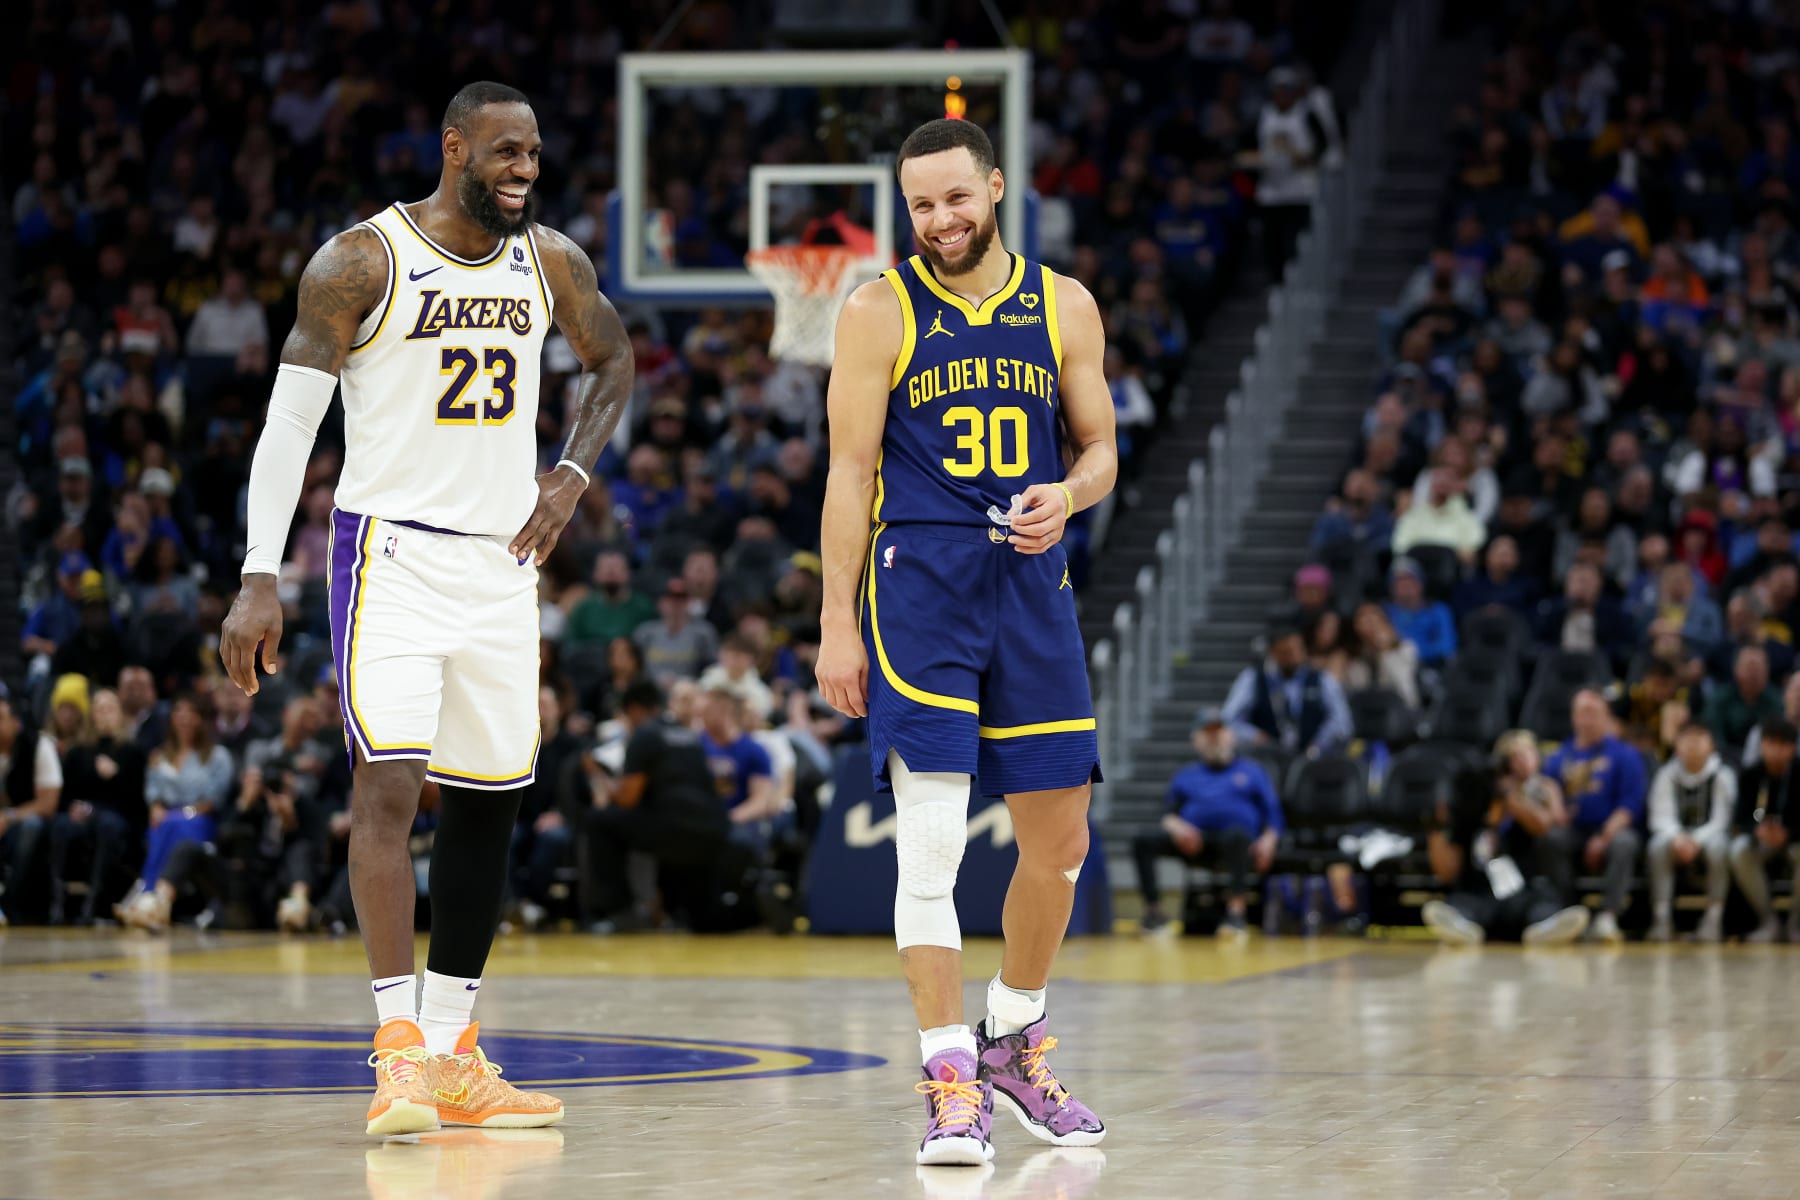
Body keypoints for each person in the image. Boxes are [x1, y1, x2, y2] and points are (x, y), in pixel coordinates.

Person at [217, 81, 633, 1137]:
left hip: (503, 565)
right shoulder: (360, 260)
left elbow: (615, 359)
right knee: (389, 788)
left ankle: (453, 1052)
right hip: (390, 556)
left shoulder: (551, 262)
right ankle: (395, 1050)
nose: (523, 168)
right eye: (503, 150)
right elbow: (287, 427)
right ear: (454, 148)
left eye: (533, 152)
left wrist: (573, 474)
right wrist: (260, 572)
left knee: (490, 800)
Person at [817, 119, 1113, 1164]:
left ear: (995, 187)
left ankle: (1012, 1032)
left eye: (955, 198)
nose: (940, 220)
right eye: (921, 205)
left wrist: (1069, 495)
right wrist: (834, 624)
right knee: (933, 842)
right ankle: (948, 1073)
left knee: (1059, 844)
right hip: (922, 582)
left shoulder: (1064, 303)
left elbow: (1102, 445)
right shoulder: (876, 309)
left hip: (1031, 579)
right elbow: (849, 475)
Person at [1420, 730, 1591, 946]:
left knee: (1542, 902)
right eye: (1511, 759)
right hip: (1479, 893)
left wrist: (1511, 796)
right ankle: (1461, 926)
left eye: (1524, 756)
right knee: (1461, 903)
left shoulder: (1536, 793)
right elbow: (1446, 872)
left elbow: (1543, 826)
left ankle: (1544, 926)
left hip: (1523, 892)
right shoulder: (1469, 807)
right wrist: (1439, 826)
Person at [584, 680, 730, 932]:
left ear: (635, 710)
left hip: (675, 828)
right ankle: (676, 911)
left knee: (599, 822)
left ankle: (621, 911)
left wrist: (599, 777)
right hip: (715, 828)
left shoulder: (645, 734)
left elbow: (628, 798)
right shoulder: (687, 734)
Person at [1132, 708, 1282, 937]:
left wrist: (1268, 841)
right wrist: (1178, 828)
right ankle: (1154, 912)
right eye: (1207, 734)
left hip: (1238, 843)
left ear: (1230, 735)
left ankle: (1236, 913)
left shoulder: (1252, 771)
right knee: (1142, 840)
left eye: (1219, 732)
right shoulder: (1187, 775)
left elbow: (1273, 812)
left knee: (1237, 836)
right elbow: (1166, 813)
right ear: (1196, 741)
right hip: (1194, 841)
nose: (1214, 739)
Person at [116, 693, 234, 930]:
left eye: (190, 713)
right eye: (178, 712)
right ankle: (153, 899)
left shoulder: (218, 756)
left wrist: (185, 811)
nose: (184, 718)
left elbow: (215, 797)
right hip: (167, 820)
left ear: (201, 719)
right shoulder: (159, 756)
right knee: (164, 822)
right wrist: (156, 808)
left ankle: (146, 892)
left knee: (173, 823)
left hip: (200, 819)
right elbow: (153, 792)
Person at [1541, 689, 1648, 942]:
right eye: (1582, 712)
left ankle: (1608, 916)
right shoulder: (1561, 755)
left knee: (1624, 843)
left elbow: (1631, 804)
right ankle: (1567, 912)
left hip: (1612, 829)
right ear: (1573, 717)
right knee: (1551, 838)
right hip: (1575, 830)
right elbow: (1546, 785)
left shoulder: (1625, 755)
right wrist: (1556, 808)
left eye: (1593, 712)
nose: (1587, 719)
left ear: (1606, 717)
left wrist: (1604, 836)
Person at [1643, 723, 1735, 943]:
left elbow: (1723, 820)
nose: (1693, 743)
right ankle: (1662, 918)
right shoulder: (1666, 774)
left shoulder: (1722, 774)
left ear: (1711, 745)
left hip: (1708, 838)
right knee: (1656, 846)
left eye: (1700, 737)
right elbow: (1659, 816)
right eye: (1687, 738)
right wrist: (1677, 837)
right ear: (1676, 745)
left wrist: (1695, 839)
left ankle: (1714, 918)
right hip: (1677, 840)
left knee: (1719, 847)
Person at [1222, 621, 1355, 757]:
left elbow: (1342, 723)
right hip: (1267, 759)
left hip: (1313, 761)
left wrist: (1319, 744)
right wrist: (1255, 736)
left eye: (1299, 650)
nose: (1295, 657)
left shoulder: (1322, 679)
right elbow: (1229, 720)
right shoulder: (1252, 678)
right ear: (1273, 653)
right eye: (1287, 652)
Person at [0, 696, 63, 926]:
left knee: (32, 826)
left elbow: (48, 803)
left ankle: (9, 902)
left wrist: (8, 817)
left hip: (25, 822)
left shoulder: (38, 745)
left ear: (16, 723)